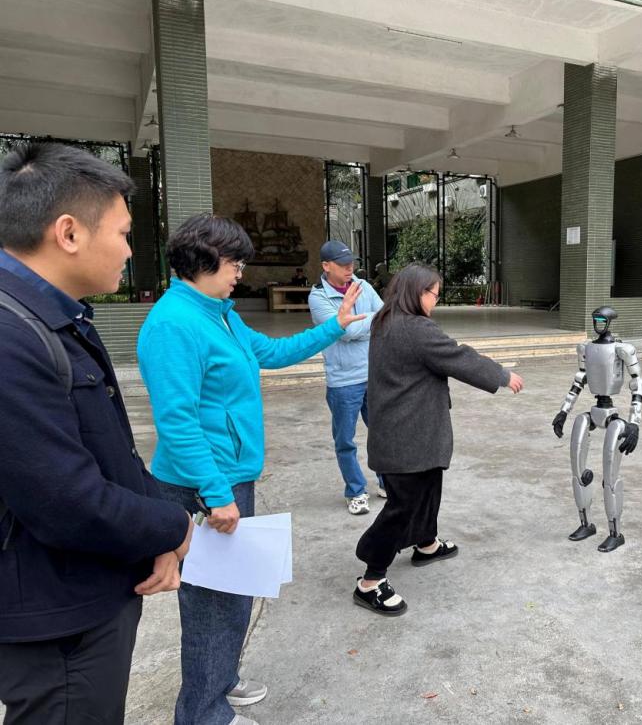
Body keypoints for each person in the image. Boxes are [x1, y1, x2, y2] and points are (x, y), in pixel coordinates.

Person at [137, 215, 364, 725]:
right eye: (235, 264)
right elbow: (177, 421)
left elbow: (272, 352)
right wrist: (216, 493)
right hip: (202, 484)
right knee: (211, 605)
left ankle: (221, 681)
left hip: (229, 476)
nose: (240, 273)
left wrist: (335, 326)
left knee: (233, 593)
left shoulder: (219, 314)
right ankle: (203, 713)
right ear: (205, 261)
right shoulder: (174, 324)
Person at [0, 143, 194, 724]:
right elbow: (65, 501)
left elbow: (115, 451)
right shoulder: (11, 338)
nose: (130, 251)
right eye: (124, 233)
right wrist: (175, 525)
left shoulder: (57, 317)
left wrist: (155, 528)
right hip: (57, 616)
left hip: (91, 590)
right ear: (68, 233)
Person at [353, 263, 524, 616]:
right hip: (407, 437)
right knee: (404, 504)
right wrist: (501, 375)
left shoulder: (386, 321)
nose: (436, 300)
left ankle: (426, 543)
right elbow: (457, 356)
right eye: (434, 294)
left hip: (411, 431)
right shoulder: (415, 328)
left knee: (429, 488)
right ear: (417, 293)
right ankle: (371, 578)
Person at [308, 241, 385, 515]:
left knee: (383, 433)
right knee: (345, 441)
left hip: (373, 375)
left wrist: (357, 323)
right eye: (342, 264)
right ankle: (355, 490)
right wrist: (367, 322)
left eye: (351, 262)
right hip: (343, 382)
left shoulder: (363, 286)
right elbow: (345, 331)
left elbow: (385, 316)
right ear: (326, 266)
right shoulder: (318, 297)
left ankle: (386, 482)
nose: (349, 268)